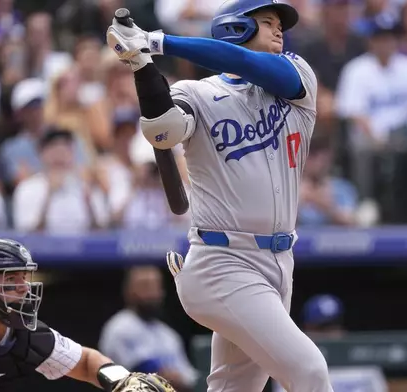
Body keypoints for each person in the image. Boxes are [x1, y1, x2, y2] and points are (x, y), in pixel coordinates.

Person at [105, 0, 330, 391]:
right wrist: (143, 67)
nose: (279, 31)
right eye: (267, 22)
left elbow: (248, 64)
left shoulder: (297, 76)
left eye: (281, 25)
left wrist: (156, 42)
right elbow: (164, 132)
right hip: (222, 261)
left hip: (279, 262)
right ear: (234, 28)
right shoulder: (196, 92)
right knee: (309, 371)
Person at [0, 237, 175, 392]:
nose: (24, 287)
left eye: (24, 277)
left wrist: (123, 381)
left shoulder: (28, 336)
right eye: (10, 279)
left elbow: (86, 362)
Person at [99, 266, 199, 392]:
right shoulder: (119, 328)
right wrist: (166, 376)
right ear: (129, 291)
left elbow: (190, 378)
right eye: (145, 286)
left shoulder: (168, 334)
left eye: (155, 286)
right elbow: (137, 371)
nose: (151, 293)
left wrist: (178, 378)